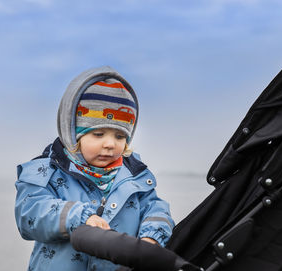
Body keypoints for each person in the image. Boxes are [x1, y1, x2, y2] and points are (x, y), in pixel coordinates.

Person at [14, 66, 174, 271]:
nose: (110, 144)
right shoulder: (47, 172)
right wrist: (80, 216)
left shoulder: (135, 177)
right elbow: (30, 213)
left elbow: (157, 209)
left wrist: (151, 239)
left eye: (119, 136)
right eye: (98, 134)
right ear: (72, 133)